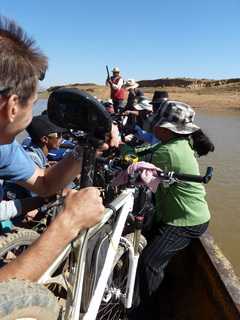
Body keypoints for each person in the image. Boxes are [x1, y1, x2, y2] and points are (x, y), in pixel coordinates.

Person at [0, 16, 120, 282]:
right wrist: (69, 223)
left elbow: (44, 183)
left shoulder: (4, 148)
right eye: (33, 102)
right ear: (12, 108)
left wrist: (89, 147)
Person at [129, 101, 214, 319]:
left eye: (156, 124)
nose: (153, 128)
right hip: (178, 214)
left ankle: (146, 311)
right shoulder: (181, 142)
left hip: (185, 222)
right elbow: (148, 149)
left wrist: (121, 148)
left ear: (165, 129)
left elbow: (138, 158)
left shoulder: (168, 152)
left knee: (149, 262)